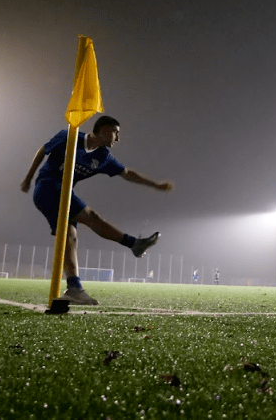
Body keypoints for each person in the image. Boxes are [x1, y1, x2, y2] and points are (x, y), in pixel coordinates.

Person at [21, 116, 173, 305]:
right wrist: (28, 179)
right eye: (115, 132)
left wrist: (155, 185)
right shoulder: (70, 137)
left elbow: (127, 174)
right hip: (47, 188)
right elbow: (42, 151)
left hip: (64, 194)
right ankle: (134, 244)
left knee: (70, 237)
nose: (117, 138)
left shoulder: (103, 157)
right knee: (90, 216)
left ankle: (74, 288)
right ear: (102, 130)